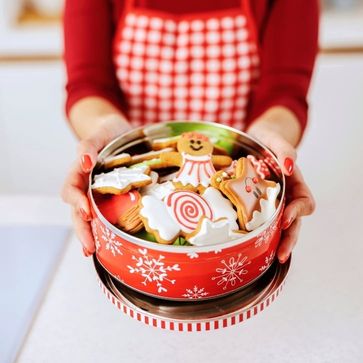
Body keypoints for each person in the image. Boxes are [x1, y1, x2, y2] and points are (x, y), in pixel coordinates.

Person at [61, 0, 318, 262]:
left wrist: (270, 145)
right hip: (133, 224)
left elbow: (285, 92)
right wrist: (104, 135)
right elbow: (87, 84)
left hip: (238, 211)